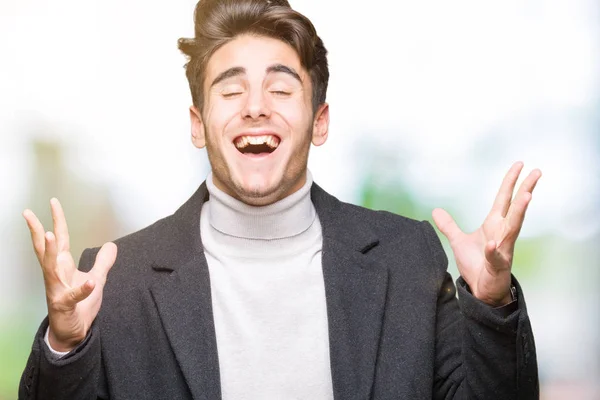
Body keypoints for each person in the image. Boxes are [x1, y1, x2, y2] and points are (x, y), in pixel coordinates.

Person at [19, 0, 541, 399]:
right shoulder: (116, 283)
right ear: (199, 125)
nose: (254, 107)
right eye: (230, 89)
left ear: (319, 121)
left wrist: (492, 304)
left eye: (281, 88)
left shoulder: (408, 260)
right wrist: (65, 347)